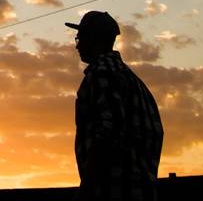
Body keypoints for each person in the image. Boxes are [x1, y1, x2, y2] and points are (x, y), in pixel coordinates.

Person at [66, 11, 163, 201]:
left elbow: (108, 133)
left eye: (80, 38)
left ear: (94, 39)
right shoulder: (132, 80)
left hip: (113, 193)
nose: (77, 45)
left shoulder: (102, 73)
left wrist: (86, 190)